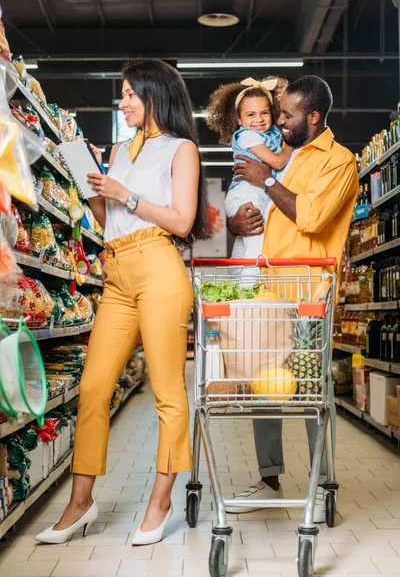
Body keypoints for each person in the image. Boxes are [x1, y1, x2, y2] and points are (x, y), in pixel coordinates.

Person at [36, 58, 209, 545]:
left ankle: (160, 501)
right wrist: (91, 176)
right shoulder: (116, 150)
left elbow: (180, 220)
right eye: (123, 94)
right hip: (116, 272)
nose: (123, 102)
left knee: (168, 394)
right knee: (92, 389)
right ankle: (80, 502)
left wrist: (125, 193)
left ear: (155, 96)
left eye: (131, 93)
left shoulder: (182, 150)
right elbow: (104, 217)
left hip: (159, 268)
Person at [224, 75, 358, 521]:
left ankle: (322, 486)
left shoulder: (338, 162)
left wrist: (264, 182)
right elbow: (264, 214)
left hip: (308, 296)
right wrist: (235, 223)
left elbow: (313, 217)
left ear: (314, 117)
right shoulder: (289, 156)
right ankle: (269, 479)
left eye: (286, 115)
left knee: (308, 393)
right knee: (268, 389)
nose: (277, 122)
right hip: (269, 290)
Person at [207, 76, 291, 271]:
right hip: (246, 193)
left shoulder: (271, 134)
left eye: (264, 113)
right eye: (250, 115)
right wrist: (290, 145)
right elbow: (278, 161)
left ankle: (236, 286)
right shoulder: (247, 135)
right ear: (239, 119)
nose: (258, 119)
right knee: (256, 245)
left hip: (258, 193)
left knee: (244, 246)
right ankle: (251, 290)